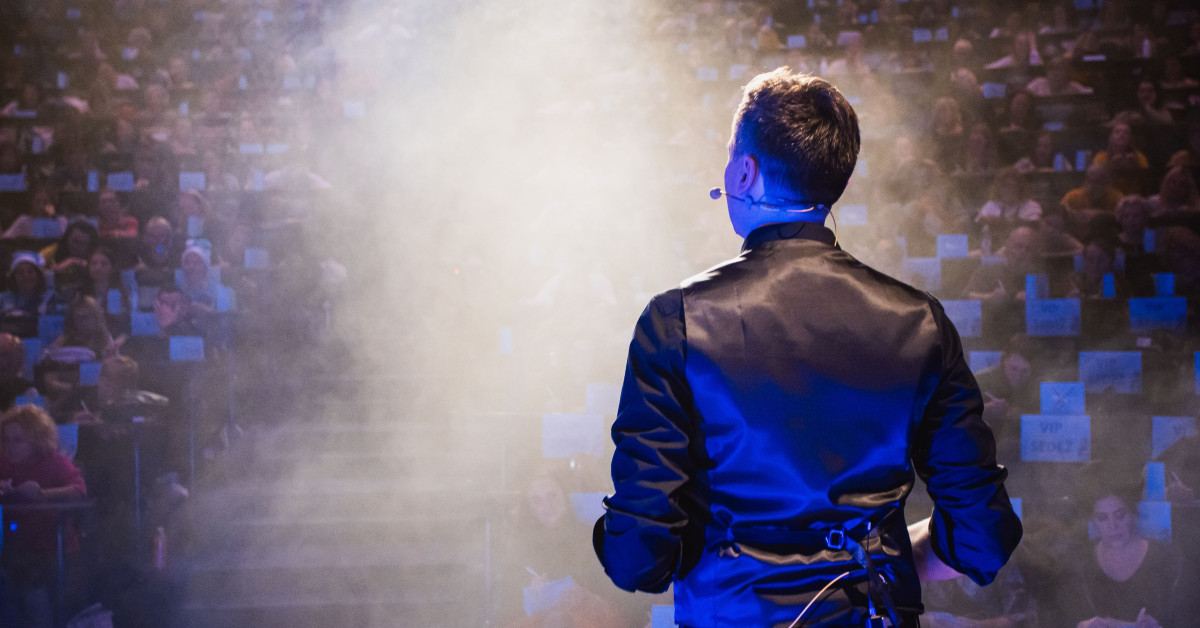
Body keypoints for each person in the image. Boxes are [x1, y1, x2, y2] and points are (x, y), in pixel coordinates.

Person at [593, 69, 1021, 628]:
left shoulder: (677, 321)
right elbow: (984, 537)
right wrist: (891, 557)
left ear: (744, 172)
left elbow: (638, 556)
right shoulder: (921, 322)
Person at [0, 405, 87, 628]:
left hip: (52, 547)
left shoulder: (55, 462)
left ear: (36, 439)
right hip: (14, 544)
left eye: (18, 440)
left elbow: (79, 491)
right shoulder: (4, 463)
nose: (10, 447)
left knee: (31, 586)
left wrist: (42, 494)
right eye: (6, 440)